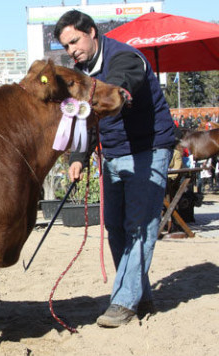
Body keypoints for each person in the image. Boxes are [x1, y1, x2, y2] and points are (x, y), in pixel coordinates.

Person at [54, 10, 176, 327]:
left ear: (92, 32)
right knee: (116, 228)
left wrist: (117, 93)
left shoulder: (125, 57)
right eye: (66, 46)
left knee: (139, 227)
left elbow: (122, 82)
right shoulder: (79, 74)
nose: (71, 50)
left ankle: (122, 302)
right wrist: (78, 157)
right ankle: (140, 296)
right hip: (112, 153)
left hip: (148, 150)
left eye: (74, 41)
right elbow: (83, 119)